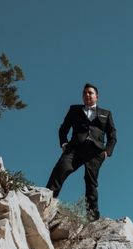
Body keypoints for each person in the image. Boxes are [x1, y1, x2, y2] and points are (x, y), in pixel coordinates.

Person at [46, 83, 117, 220]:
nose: (87, 95)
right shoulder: (74, 110)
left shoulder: (106, 114)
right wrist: (64, 143)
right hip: (75, 149)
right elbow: (63, 128)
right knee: (60, 170)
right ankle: (46, 201)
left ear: (97, 96)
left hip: (95, 152)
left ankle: (92, 217)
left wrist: (107, 151)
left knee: (91, 183)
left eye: (90, 93)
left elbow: (112, 134)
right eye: (85, 93)